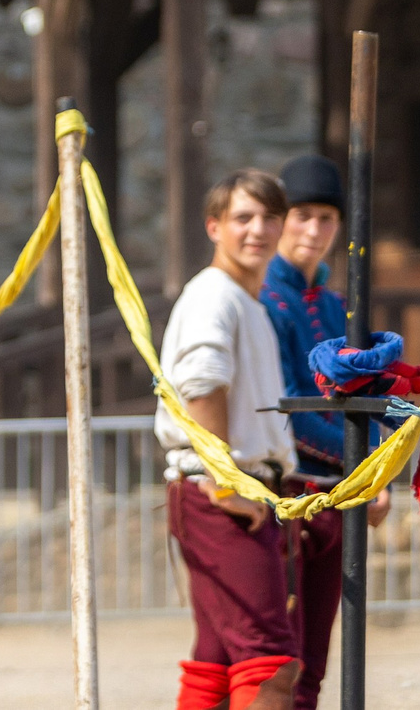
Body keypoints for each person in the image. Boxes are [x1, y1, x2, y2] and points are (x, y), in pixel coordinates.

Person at [156, 170, 298, 710]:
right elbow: (202, 384)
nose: (257, 229)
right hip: (218, 492)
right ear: (215, 227)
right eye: (243, 217)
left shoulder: (247, 301)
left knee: (216, 660)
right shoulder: (213, 294)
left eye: (268, 218)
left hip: (235, 490)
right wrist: (225, 485)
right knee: (269, 661)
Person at [260, 154, 386, 710]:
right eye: (302, 215)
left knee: (313, 665)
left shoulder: (337, 306)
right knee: (277, 663)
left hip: (339, 496)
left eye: (326, 219)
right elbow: (291, 410)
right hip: (290, 497)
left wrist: (375, 468)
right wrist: (366, 469)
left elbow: (361, 403)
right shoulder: (268, 301)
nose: (314, 230)